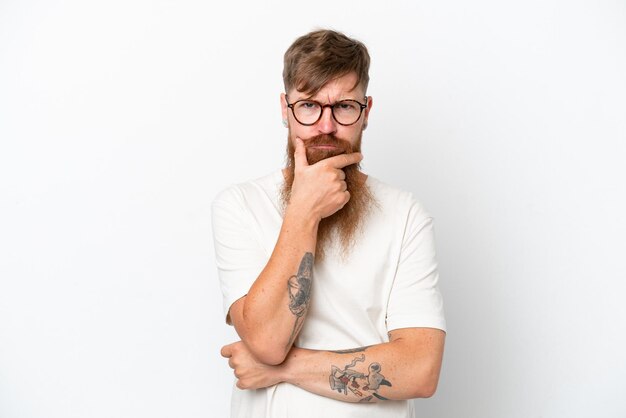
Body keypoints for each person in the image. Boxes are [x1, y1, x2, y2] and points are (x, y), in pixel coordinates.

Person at [212, 29, 446, 418]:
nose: (325, 126)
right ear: (285, 110)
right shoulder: (239, 205)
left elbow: (421, 371)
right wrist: (304, 212)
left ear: (366, 112)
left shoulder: (405, 213)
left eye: (344, 107)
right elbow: (267, 341)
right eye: (308, 106)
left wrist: (282, 369)